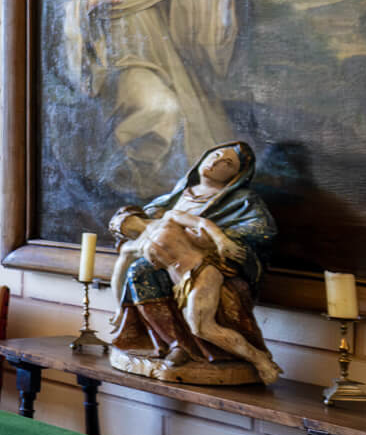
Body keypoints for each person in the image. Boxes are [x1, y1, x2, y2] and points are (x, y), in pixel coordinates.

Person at [63, 0, 294, 189]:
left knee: (194, 117)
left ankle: (183, 189)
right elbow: (62, 19)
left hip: (163, 53)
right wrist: (89, 2)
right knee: (161, 108)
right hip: (124, 61)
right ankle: (143, 184)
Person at [106, 142, 282, 384]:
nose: (217, 161)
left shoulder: (243, 200)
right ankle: (177, 344)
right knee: (139, 271)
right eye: (215, 154)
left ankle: (257, 359)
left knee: (202, 324)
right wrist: (118, 308)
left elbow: (261, 231)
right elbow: (121, 267)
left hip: (207, 263)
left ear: (237, 176)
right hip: (176, 272)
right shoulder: (172, 200)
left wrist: (219, 238)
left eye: (227, 163)